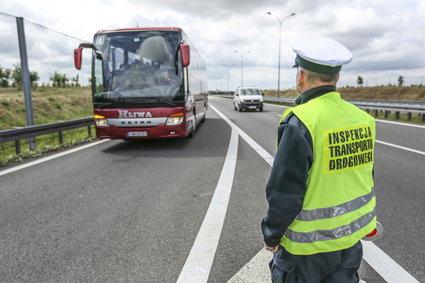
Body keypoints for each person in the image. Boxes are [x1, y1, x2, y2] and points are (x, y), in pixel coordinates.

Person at [261, 36, 377, 283]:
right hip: (349, 239)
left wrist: (272, 235)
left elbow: (285, 190)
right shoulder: (363, 118)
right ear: (336, 78)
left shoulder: (301, 121)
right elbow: (365, 176)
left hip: (307, 250)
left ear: (301, 76)